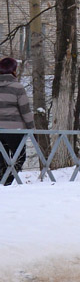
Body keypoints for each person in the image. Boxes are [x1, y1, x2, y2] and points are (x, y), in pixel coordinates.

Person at [0, 57, 33, 186]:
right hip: (14, 130)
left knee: (1, 159)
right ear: (13, 70)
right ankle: (7, 182)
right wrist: (31, 127)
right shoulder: (17, 87)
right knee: (20, 157)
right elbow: (25, 110)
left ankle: (2, 183)